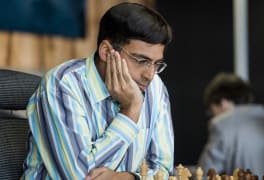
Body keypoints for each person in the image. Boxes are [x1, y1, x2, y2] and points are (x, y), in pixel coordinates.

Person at [21, 2, 174, 179]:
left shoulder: (155, 88)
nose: (150, 74)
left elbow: (163, 169)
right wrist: (130, 110)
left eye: (157, 64)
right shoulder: (62, 86)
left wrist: (125, 178)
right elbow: (81, 176)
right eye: (141, 60)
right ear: (106, 51)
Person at [197, 72, 264, 177]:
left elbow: (205, 173)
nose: (213, 116)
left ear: (223, 102)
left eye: (212, 111)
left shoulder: (222, 124)